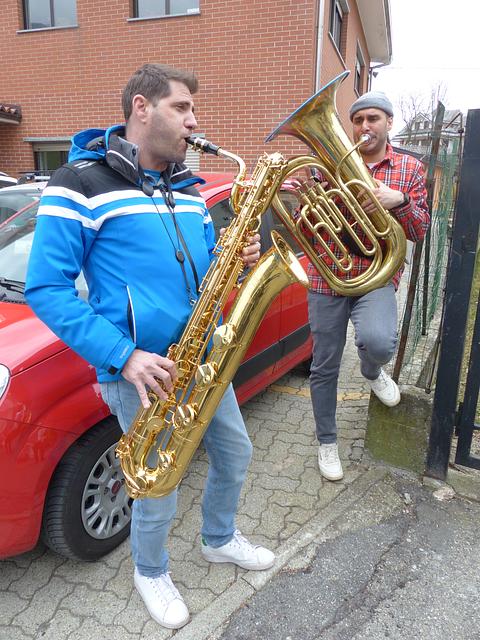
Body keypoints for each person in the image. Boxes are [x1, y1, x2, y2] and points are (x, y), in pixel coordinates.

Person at [25, 63, 274, 630]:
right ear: (142, 107)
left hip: (202, 360)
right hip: (140, 371)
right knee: (158, 482)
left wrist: (237, 261)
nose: (194, 121)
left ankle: (219, 538)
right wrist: (124, 355)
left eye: (193, 109)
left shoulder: (188, 191)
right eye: (182, 107)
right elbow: (45, 287)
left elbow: (206, 277)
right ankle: (151, 570)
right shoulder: (80, 182)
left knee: (236, 453)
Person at [306, 90, 430, 482]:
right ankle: (327, 441)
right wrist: (306, 202)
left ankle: (372, 371)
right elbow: (309, 227)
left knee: (378, 342)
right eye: (358, 120)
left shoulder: (410, 169)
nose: (364, 126)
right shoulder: (328, 165)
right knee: (323, 365)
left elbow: (419, 231)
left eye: (373, 118)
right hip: (328, 274)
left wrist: (400, 200)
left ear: (389, 122)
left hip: (375, 274)